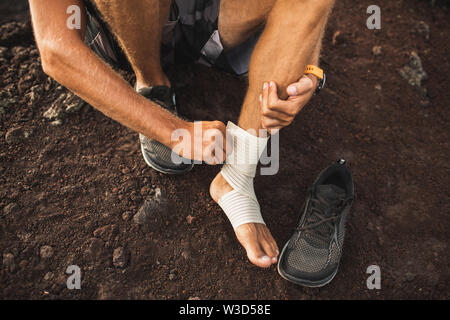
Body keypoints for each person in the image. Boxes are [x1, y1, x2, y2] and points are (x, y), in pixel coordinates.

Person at [29, 0, 334, 269]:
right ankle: (152, 84)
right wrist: (174, 131)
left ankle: (237, 176)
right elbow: (56, 49)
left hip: (217, 27)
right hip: (126, 28)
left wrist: (309, 67)